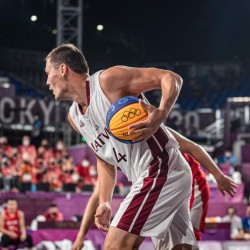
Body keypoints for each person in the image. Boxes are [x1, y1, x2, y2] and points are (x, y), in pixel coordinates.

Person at [45, 43, 199, 250]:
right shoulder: (74, 118)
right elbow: (104, 160)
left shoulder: (108, 81)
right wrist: (104, 202)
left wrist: (161, 113)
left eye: (48, 72)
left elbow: (171, 78)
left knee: (115, 246)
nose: (46, 81)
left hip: (161, 168)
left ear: (63, 69)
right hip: (154, 176)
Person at [71, 127, 237, 250]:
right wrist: (80, 237)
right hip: (160, 182)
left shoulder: (147, 129)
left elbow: (193, 147)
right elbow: (97, 196)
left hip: (190, 182)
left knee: (177, 240)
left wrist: (219, 176)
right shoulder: (110, 152)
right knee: (172, 243)